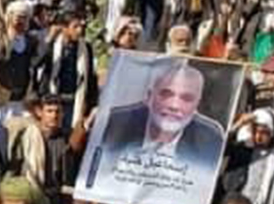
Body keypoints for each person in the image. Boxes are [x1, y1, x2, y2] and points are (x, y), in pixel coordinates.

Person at [83, 58, 227, 193]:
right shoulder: (115, 123)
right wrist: (91, 124)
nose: (174, 106)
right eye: (166, 94)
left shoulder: (210, 138)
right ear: (149, 97)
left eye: (186, 98)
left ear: (197, 105)